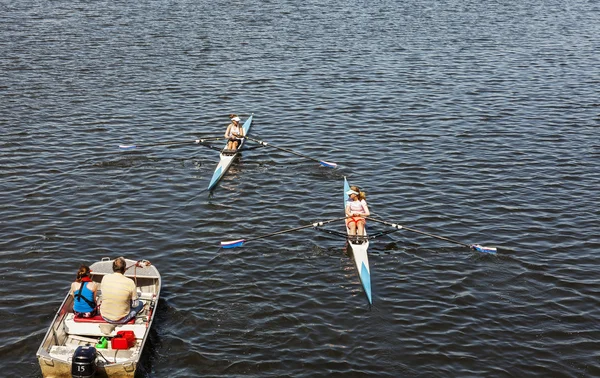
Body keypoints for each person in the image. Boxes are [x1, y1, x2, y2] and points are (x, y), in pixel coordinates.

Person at [100, 257, 144, 324]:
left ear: (113, 268)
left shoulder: (105, 277)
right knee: (140, 304)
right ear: (124, 269)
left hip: (104, 316)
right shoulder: (130, 282)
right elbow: (135, 304)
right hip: (121, 319)